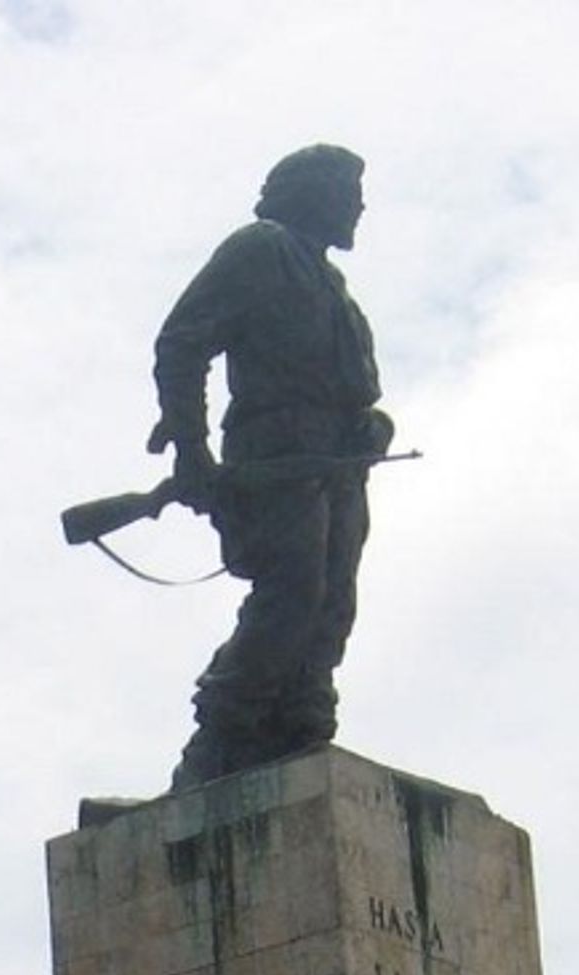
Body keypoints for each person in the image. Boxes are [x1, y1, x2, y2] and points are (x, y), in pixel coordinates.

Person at [149, 144, 392, 789]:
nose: (359, 206)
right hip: (276, 455)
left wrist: (369, 426)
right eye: (348, 191)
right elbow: (182, 341)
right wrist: (191, 449)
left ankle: (300, 729)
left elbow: (349, 387)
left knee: (332, 606)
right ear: (311, 192)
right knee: (291, 599)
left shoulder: (330, 284)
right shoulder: (261, 249)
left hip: (338, 465)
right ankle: (214, 753)